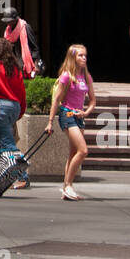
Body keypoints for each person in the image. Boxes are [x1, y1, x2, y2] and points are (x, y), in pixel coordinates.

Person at [45, 43, 96, 200]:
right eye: (80, 55)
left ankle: (67, 187)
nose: (84, 58)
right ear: (73, 57)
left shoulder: (86, 77)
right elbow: (56, 100)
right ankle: (68, 185)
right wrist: (50, 121)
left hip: (79, 117)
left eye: (85, 55)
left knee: (73, 153)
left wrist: (86, 112)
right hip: (67, 115)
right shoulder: (67, 76)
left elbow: (93, 100)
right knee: (83, 151)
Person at [0, 36, 29, 189]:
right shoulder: (15, 69)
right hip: (14, 108)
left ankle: (23, 176)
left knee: (8, 143)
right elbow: (22, 92)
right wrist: (20, 111)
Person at [1, 7, 42, 79]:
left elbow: (35, 48)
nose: (8, 23)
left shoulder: (25, 28)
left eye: (10, 21)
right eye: (7, 21)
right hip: (13, 66)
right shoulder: (8, 31)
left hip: (25, 66)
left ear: (15, 19)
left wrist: (35, 65)